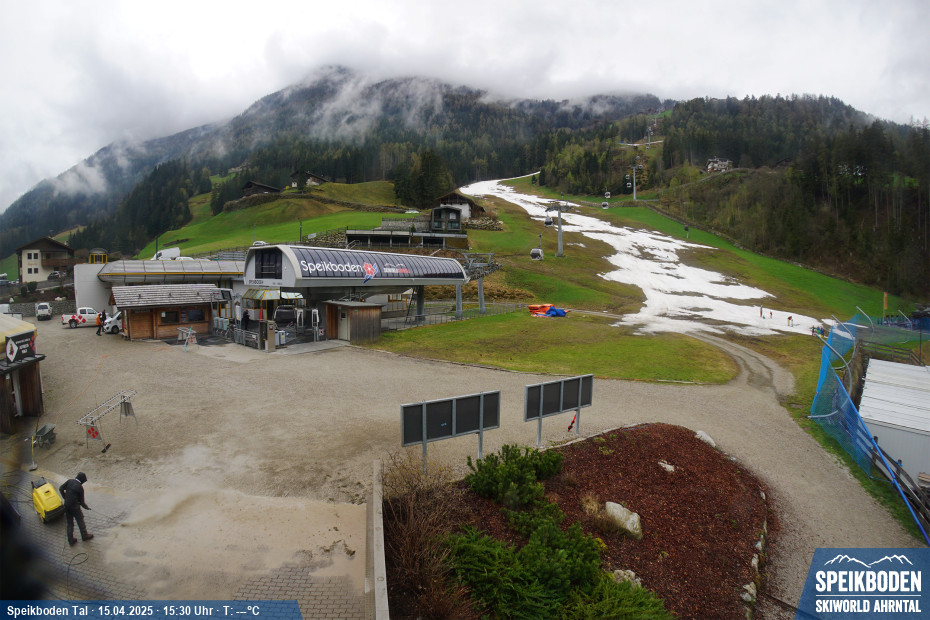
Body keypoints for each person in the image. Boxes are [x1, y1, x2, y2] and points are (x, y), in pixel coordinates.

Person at [59, 472, 93, 545]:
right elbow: (82, 502)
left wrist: (65, 497)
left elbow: (60, 488)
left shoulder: (70, 481)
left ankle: (70, 540)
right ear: (82, 480)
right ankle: (84, 536)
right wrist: (86, 507)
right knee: (80, 520)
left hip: (66, 506)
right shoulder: (80, 488)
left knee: (69, 523)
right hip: (75, 508)